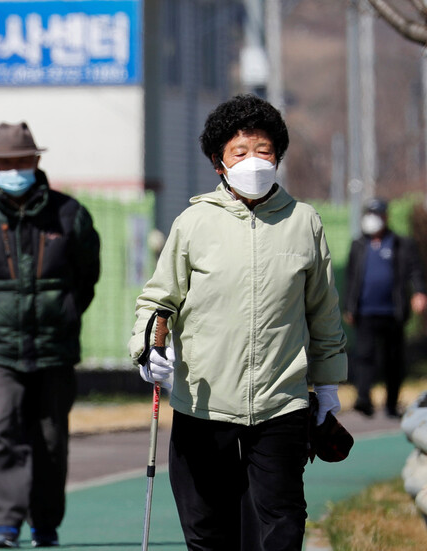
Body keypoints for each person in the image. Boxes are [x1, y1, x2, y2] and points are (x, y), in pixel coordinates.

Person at [129, 94, 347, 551]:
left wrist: (328, 387)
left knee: (280, 527)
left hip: (281, 405)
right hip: (203, 406)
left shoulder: (304, 222)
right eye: (240, 152)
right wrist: (149, 349)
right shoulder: (192, 224)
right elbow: (157, 299)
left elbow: (323, 314)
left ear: (279, 156)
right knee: (209, 532)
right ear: (218, 162)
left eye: (264, 151)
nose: (253, 161)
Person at [0, 121, 101, 548]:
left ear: (36, 162)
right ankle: (4, 526)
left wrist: (62, 313)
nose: (14, 169)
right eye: (5, 162)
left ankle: (45, 525)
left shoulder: (70, 216)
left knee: (50, 439)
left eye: (21, 161)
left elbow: (87, 276)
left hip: (54, 350)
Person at [343, 197, 427, 418]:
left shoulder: (401, 243)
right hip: (365, 312)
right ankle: (364, 400)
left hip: (393, 312)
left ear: (386, 216)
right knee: (364, 356)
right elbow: (351, 277)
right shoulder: (359, 245)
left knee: (393, 359)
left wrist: (419, 292)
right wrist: (349, 306)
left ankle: (391, 404)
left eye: (378, 214)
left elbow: (415, 270)